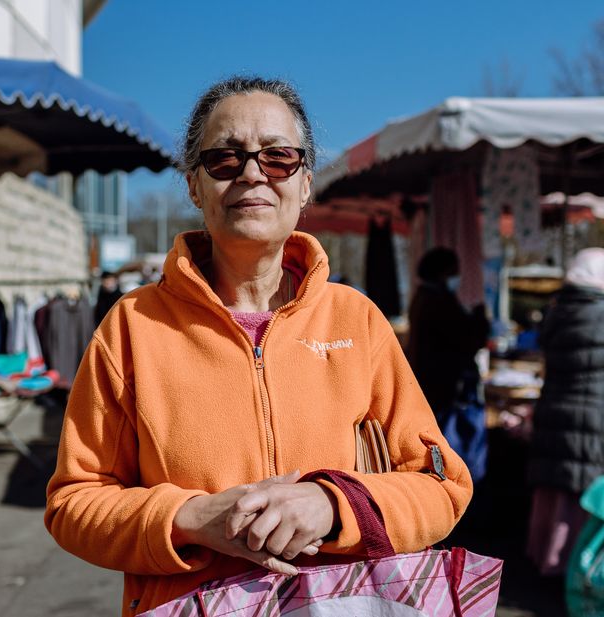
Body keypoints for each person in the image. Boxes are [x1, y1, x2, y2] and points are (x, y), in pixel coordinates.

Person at [45, 76, 473, 616]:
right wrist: (190, 519)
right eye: (225, 158)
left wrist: (334, 505)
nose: (252, 173)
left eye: (278, 157)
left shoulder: (356, 319)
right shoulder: (132, 327)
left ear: (306, 183)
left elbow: (442, 486)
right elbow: (73, 503)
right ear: (195, 186)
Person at [526, 247, 604, 576]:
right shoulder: (601, 312)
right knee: (580, 491)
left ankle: (541, 555)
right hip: (592, 412)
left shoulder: (558, 309)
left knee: (553, 486)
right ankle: (570, 563)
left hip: (555, 406)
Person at [407, 247, 490, 421]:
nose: (457, 276)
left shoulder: (423, 296)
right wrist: (479, 317)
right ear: (443, 272)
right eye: (454, 271)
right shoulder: (438, 301)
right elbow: (467, 339)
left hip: (429, 381)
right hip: (441, 386)